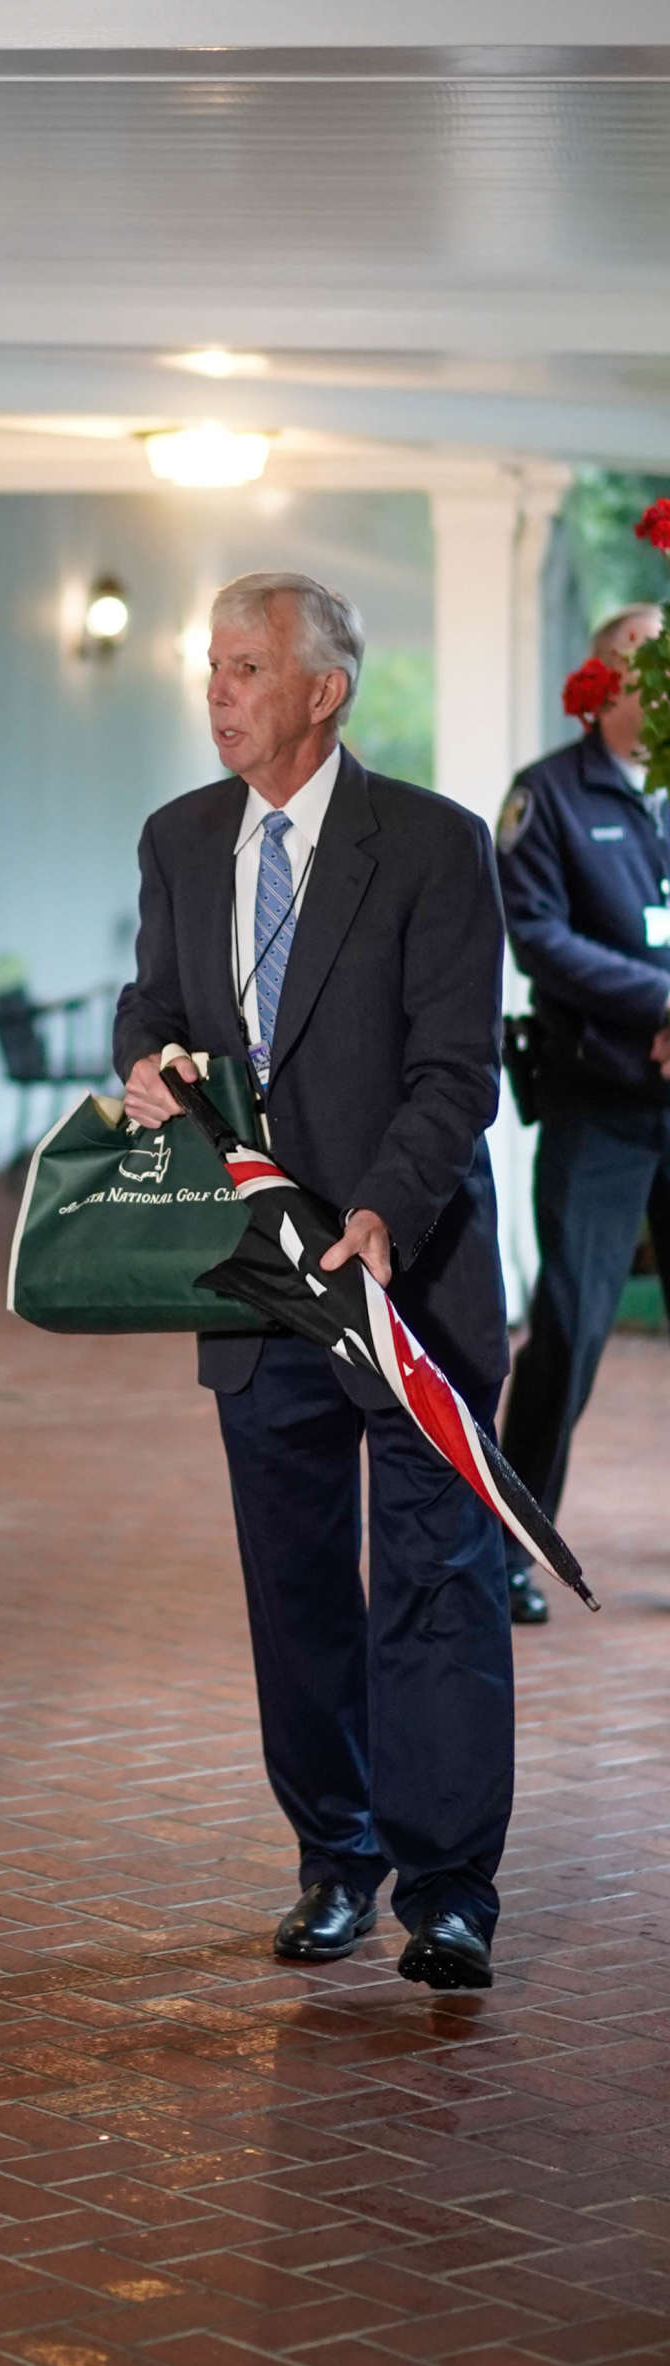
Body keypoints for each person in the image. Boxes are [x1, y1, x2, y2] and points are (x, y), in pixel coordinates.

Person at [115, 571, 514, 1992]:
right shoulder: (179, 839)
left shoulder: (436, 844)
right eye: (211, 666)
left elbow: (456, 1071)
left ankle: (450, 1891)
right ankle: (335, 1860)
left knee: (436, 1580)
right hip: (257, 1290)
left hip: (411, 1281)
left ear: (324, 691)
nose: (216, 693)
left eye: (245, 668)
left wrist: (384, 1212)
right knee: (295, 1591)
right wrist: (144, 1062)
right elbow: (154, 1002)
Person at [496, 604, 670, 1627]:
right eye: (651, 665)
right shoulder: (548, 797)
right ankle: (511, 1553)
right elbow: (539, 938)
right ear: (604, 682)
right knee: (566, 1328)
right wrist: (662, 1005)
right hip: (599, 1103)